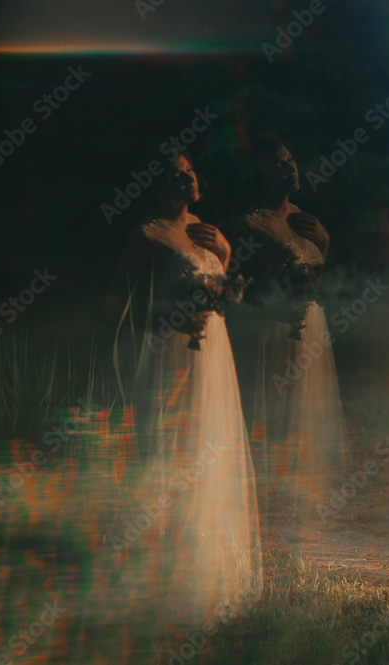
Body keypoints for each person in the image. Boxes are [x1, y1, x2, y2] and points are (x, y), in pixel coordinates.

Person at [113, 151, 262, 623]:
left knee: (208, 445)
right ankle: (161, 568)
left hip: (213, 346)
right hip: (171, 347)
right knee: (172, 446)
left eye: (190, 170)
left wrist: (225, 256)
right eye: (175, 174)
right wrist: (178, 314)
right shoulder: (148, 236)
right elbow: (125, 303)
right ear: (158, 185)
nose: (187, 178)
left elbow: (228, 288)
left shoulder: (206, 231)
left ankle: (206, 556)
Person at [224, 134, 347, 515]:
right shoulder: (251, 224)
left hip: (309, 322)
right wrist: (272, 307)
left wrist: (324, 243)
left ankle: (300, 493)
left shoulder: (304, 220)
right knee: (271, 405)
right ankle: (264, 495)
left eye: (291, 160)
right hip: (272, 326)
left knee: (303, 407)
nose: (289, 168)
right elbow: (234, 288)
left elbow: (317, 278)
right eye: (278, 163)